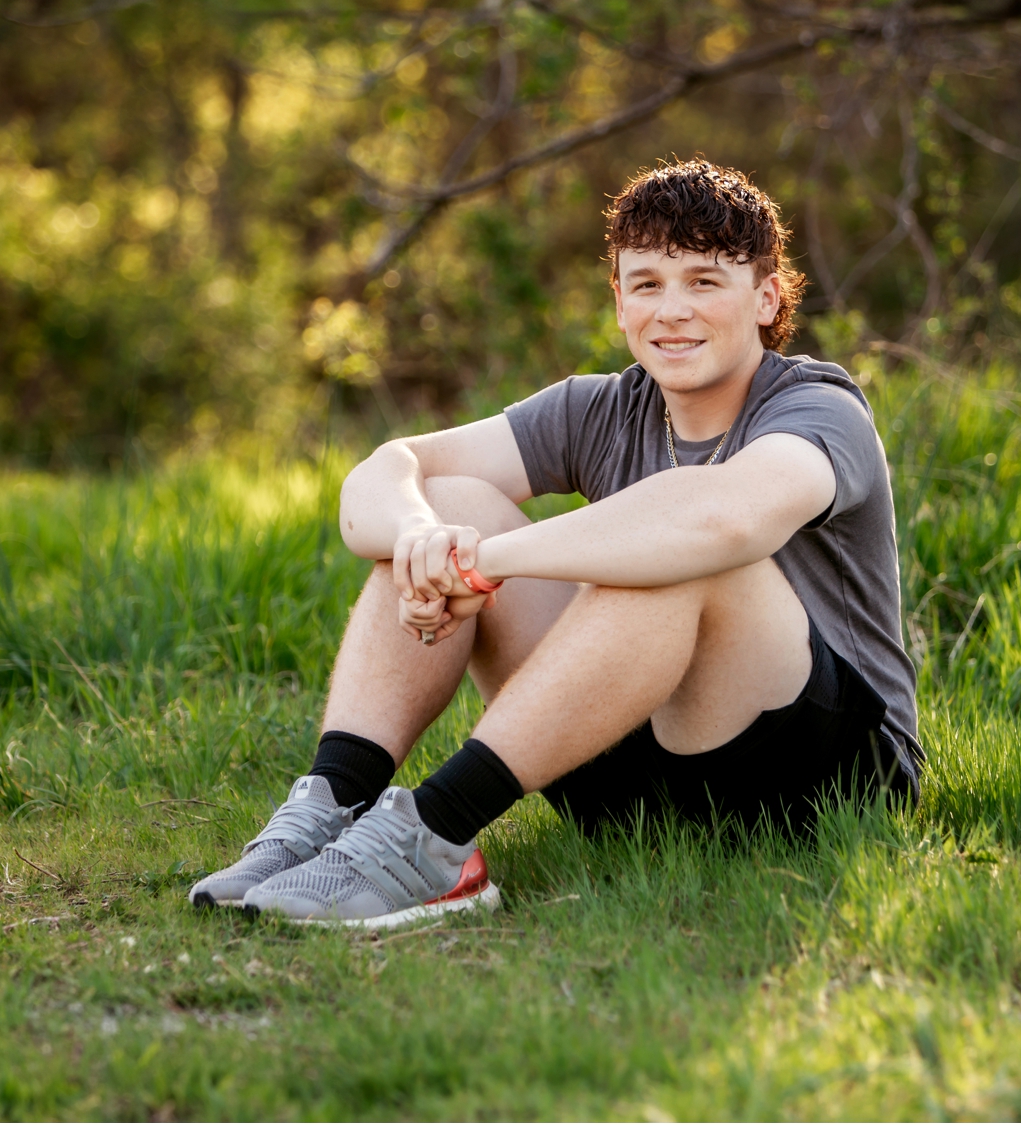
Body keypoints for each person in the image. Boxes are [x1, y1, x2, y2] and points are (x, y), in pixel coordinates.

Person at [188, 159, 921, 928]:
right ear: (618, 301)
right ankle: (327, 810)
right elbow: (381, 475)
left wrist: (484, 562)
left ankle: (431, 838)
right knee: (450, 498)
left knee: (679, 558)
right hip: (638, 790)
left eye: (705, 281)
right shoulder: (596, 408)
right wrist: (424, 540)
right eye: (647, 284)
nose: (673, 311)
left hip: (828, 784)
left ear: (765, 297)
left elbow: (721, 521)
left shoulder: (817, 405)